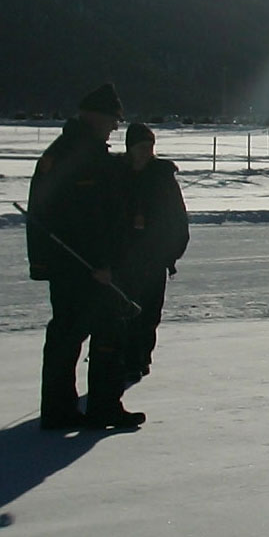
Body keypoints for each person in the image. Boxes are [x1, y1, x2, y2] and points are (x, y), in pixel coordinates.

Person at [28, 84, 131, 430]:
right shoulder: (72, 154)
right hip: (79, 267)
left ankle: (96, 406)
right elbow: (76, 221)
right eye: (113, 120)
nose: (115, 127)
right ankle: (67, 410)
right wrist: (98, 264)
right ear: (95, 116)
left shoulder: (88, 152)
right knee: (75, 336)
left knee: (97, 335)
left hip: (89, 266)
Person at [93, 120, 191, 417]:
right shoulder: (118, 175)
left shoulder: (162, 178)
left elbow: (178, 220)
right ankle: (120, 359)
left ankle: (139, 358)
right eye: (140, 147)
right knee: (123, 312)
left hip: (153, 258)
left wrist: (170, 253)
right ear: (130, 148)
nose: (145, 152)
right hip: (123, 259)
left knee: (149, 312)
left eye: (149, 147)